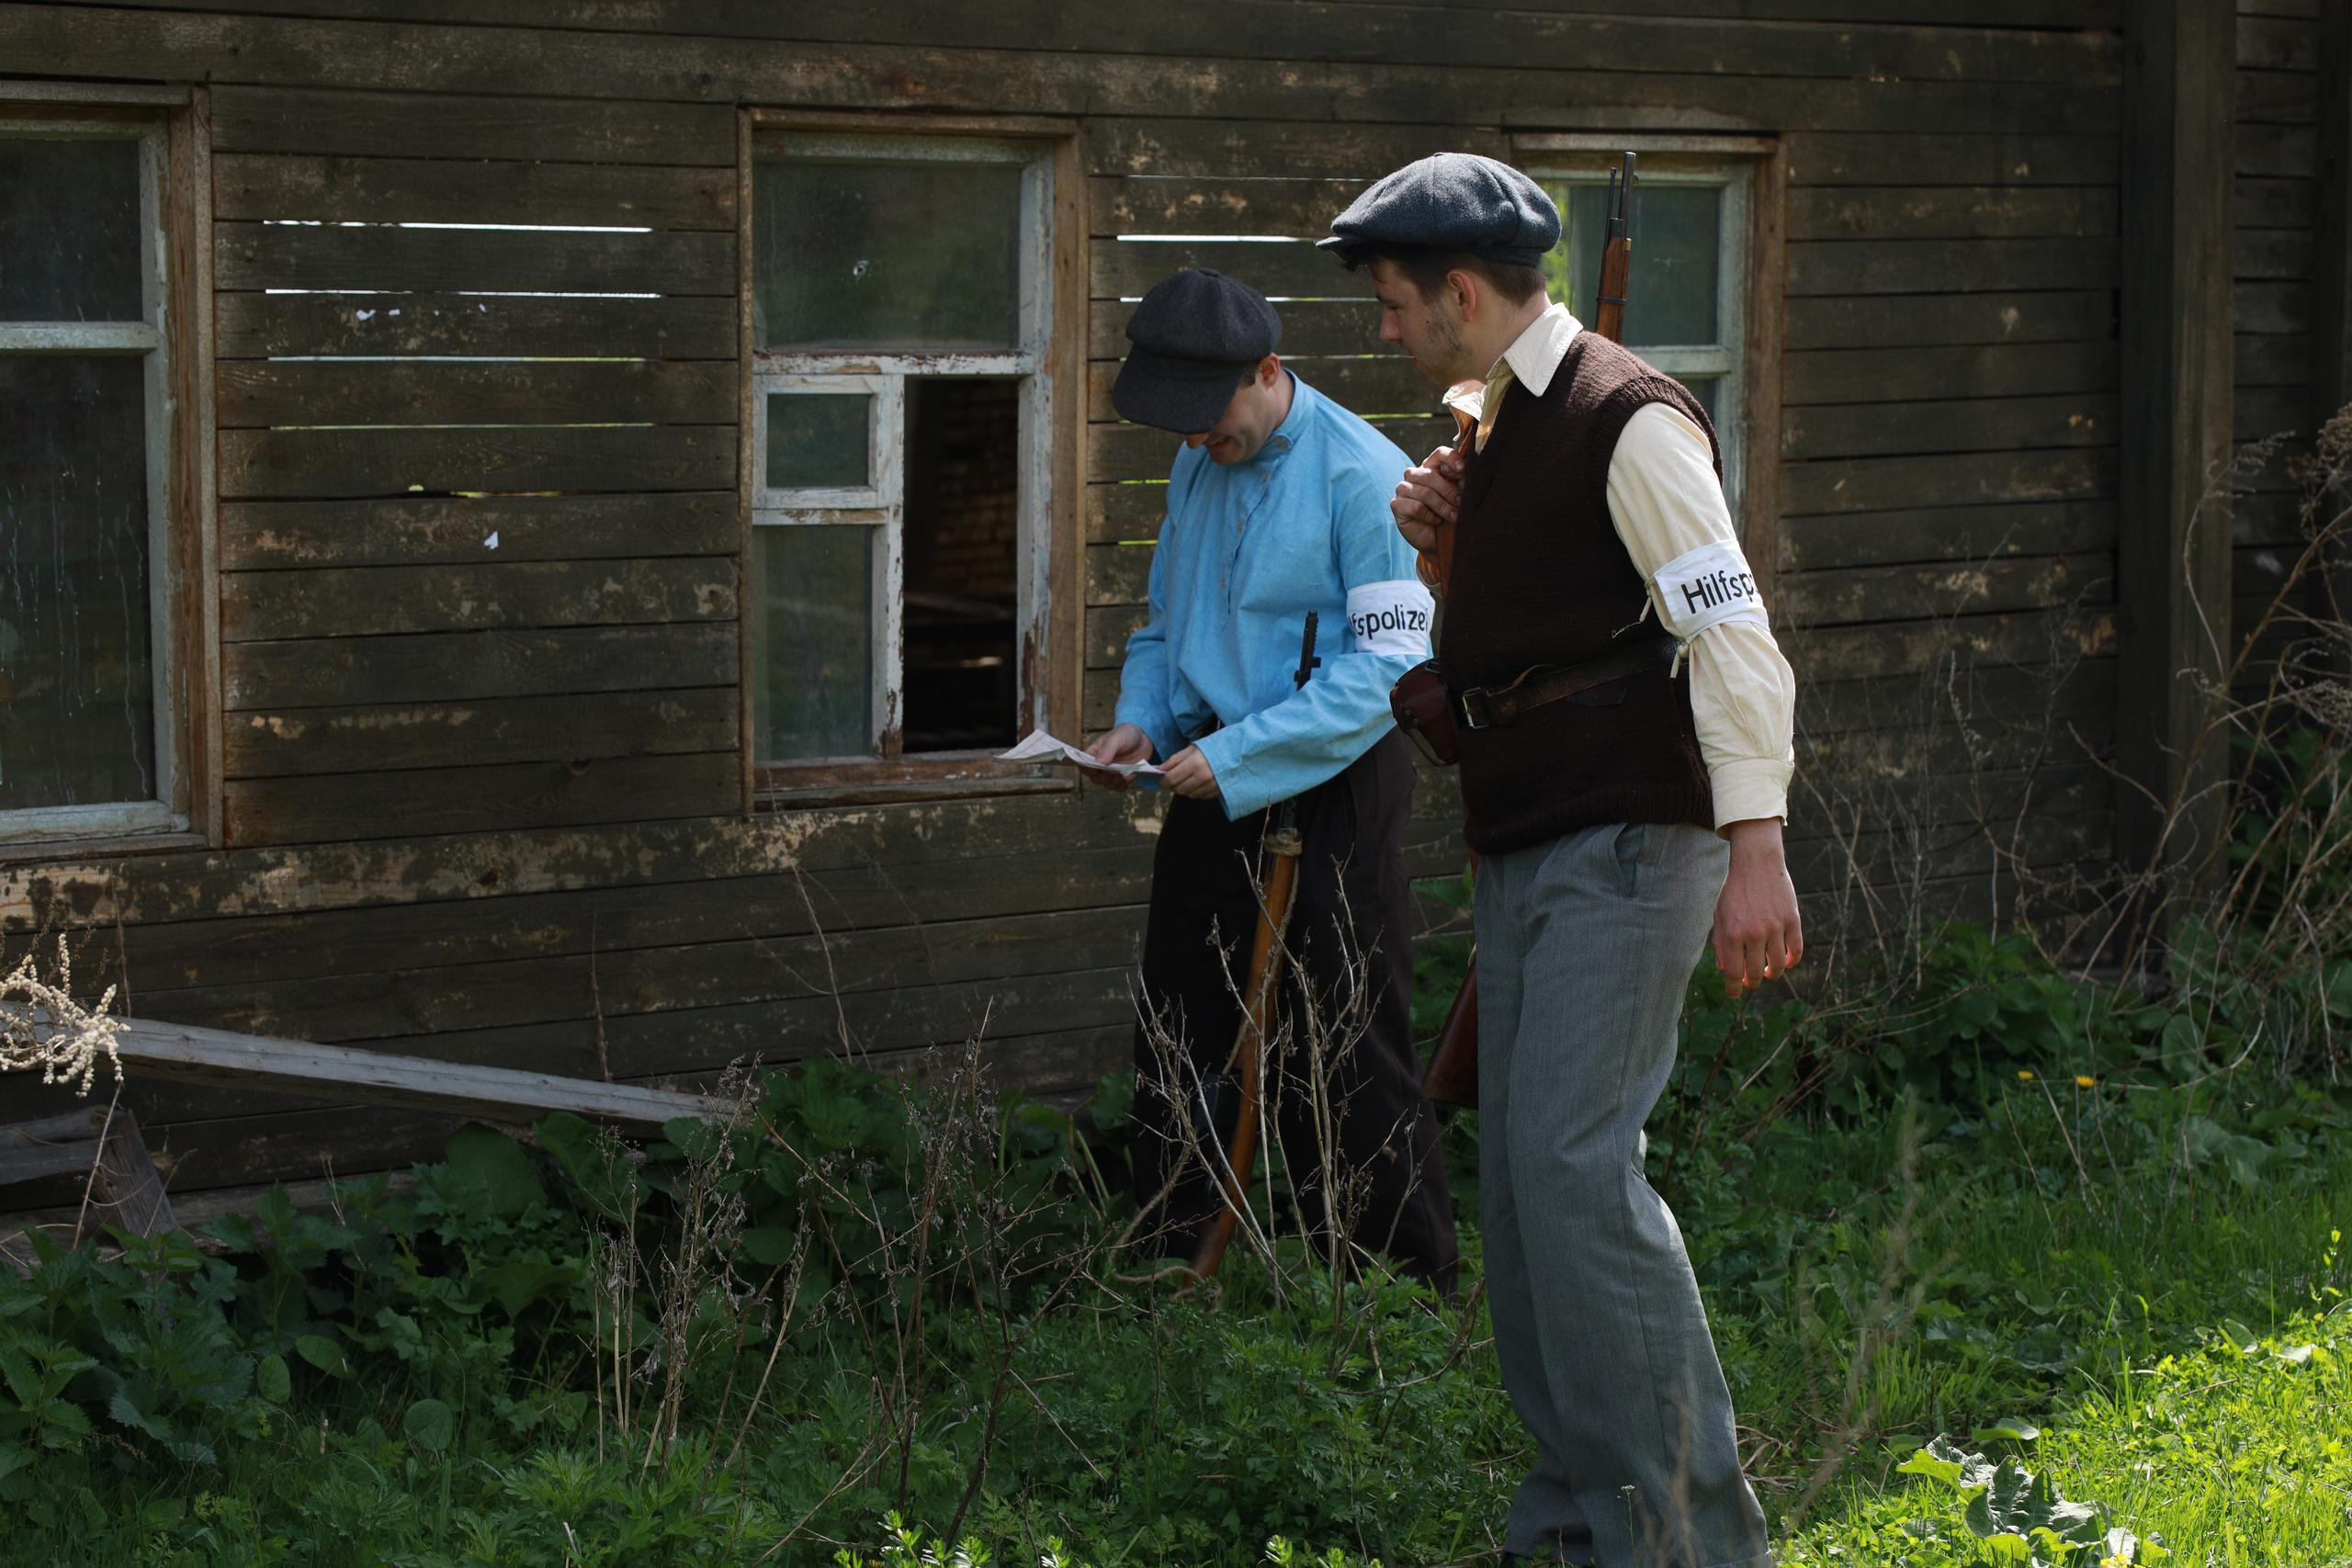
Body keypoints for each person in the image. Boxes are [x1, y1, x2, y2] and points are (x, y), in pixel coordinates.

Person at [1319, 153, 1802, 1565]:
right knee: (1530, 1192)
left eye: (1396, 303)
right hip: (1533, 836)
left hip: (1633, 838)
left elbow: (1730, 631)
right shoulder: (1504, 424)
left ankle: (1692, 1541)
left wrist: (1757, 845)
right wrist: (1450, 553)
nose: (1387, 329)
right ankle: (1578, 1523)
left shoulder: (1625, 416)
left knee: (1581, 1171)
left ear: (1463, 292)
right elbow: (1541, 634)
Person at [1086, 267, 1458, 1291]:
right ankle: (1171, 1260)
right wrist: (1142, 720)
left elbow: (1388, 670)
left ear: (1266, 369)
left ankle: (1395, 1288)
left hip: (1336, 778)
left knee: (1345, 1033)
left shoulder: (1363, 475)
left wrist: (1240, 755)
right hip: (1207, 773)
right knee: (1178, 1018)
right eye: (1179, 417)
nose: (1193, 435)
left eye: (1206, 411)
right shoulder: (1197, 463)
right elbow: (1167, 623)